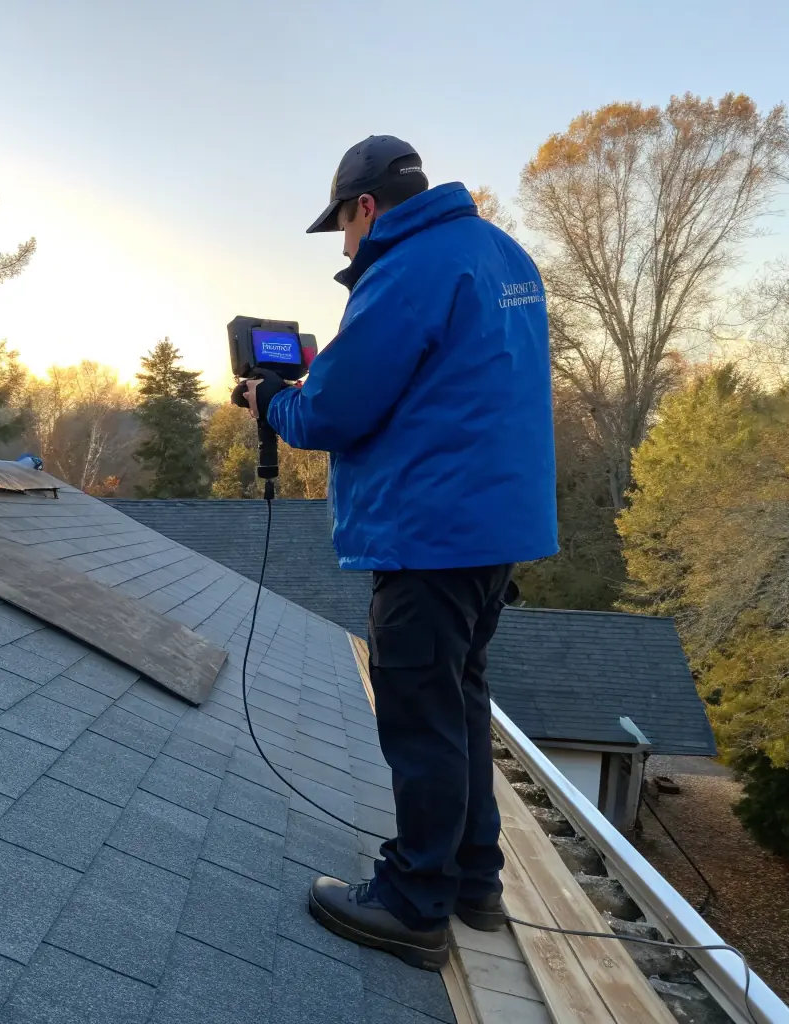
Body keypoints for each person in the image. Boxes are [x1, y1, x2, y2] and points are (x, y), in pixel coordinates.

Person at [238, 135, 557, 971]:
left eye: (341, 227)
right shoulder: (499, 253)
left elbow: (335, 412)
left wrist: (274, 402)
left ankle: (415, 903)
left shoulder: (409, 266)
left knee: (420, 720)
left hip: (429, 533)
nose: (344, 246)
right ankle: (473, 882)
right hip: (492, 535)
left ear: (366, 207)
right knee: (458, 708)